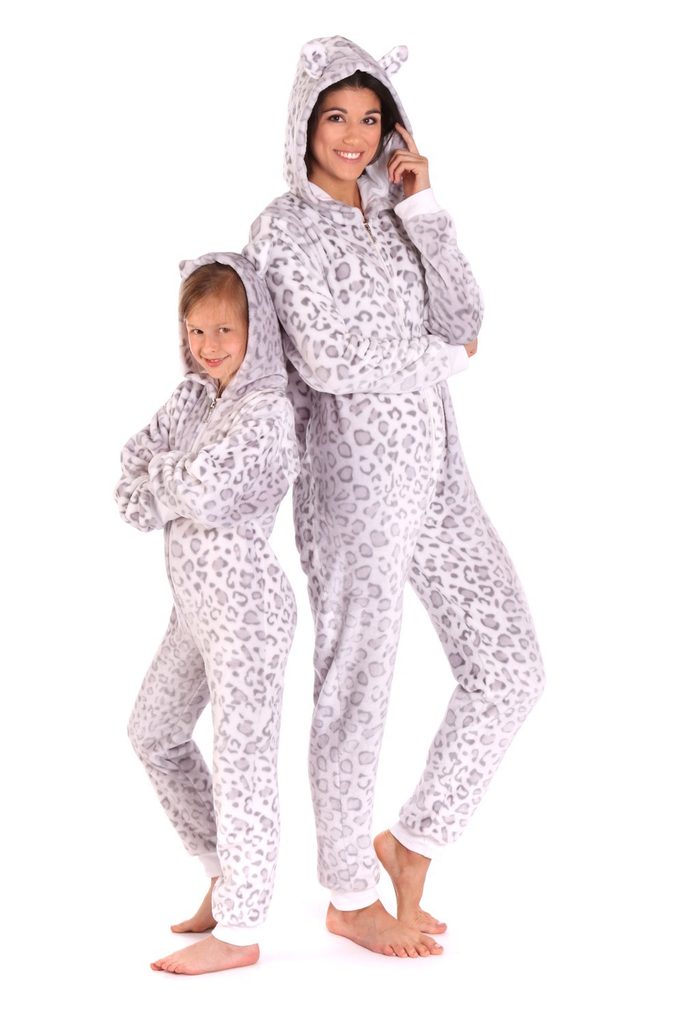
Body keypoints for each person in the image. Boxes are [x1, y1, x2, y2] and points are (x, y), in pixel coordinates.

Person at [245, 36, 545, 959]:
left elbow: (466, 319)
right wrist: (444, 360)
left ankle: (411, 841)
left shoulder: (394, 206)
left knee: (510, 667)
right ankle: (347, 894)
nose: (353, 135)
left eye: (370, 119)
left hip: (440, 473)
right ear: (304, 123)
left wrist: (423, 207)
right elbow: (330, 359)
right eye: (336, 116)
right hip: (351, 489)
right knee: (357, 689)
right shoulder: (281, 230)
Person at [115, 253, 299, 974]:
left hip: (246, 610)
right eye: (196, 331)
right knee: (153, 733)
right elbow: (130, 486)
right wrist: (174, 479)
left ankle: (242, 927)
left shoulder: (267, 409)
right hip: (193, 610)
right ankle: (223, 875)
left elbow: (206, 491)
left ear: (256, 327)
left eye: (225, 329)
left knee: (242, 760)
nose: (210, 346)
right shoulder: (193, 396)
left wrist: (168, 478)